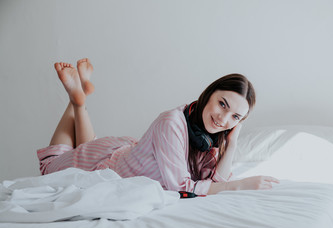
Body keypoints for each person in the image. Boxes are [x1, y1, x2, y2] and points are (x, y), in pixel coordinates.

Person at [37, 58, 279, 196]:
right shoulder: (172, 122)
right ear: (208, 94)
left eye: (235, 117)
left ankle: (79, 100)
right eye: (222, 104)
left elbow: (216, 180)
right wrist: (239, 185)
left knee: (85, 146)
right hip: (107, 167)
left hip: (125, 154)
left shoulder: (208, 136)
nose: (223, 120)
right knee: (49, 168)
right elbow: (180, 186)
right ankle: (75, 100)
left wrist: (232, 142)